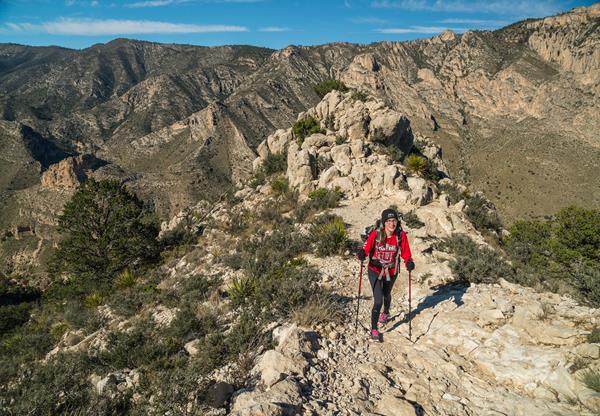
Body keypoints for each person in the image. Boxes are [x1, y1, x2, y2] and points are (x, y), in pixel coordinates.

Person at [357, 208, 414, 341]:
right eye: (388, 221)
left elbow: (406, 252)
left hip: (391, 271)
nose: (391, 224)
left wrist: (409, 262)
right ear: (384, 222)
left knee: (387, 294)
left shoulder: (400, 235)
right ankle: (374, 329)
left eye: (394, 220)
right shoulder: (377, 234)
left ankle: (386, 313)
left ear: (397, 222)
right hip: (375, 271)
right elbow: (366, 248)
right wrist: (361, 254)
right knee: (378, 300)